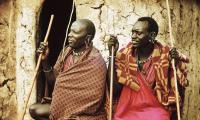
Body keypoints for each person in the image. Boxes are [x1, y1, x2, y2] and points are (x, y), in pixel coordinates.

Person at [107, 17, 189, 120]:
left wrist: (175, 63)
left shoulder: (165, 55)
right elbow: (114, 90)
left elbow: (178, 86)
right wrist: (112, 55)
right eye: (132, 32)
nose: (133, 36)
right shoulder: (125, 54)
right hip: (128, 110)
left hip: (155, 110)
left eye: (138, 33)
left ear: (152, 35)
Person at [29, 19, 108, 120]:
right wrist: (45, 60)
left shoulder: (95, 60)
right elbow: (54, 82)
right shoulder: (66, 53)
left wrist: (71, 106)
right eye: (70, 31)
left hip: (83, 113)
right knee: (34, 109)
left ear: (88, 38)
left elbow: (95, 98)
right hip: (62, 108)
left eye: (75, 32)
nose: (69, 35)